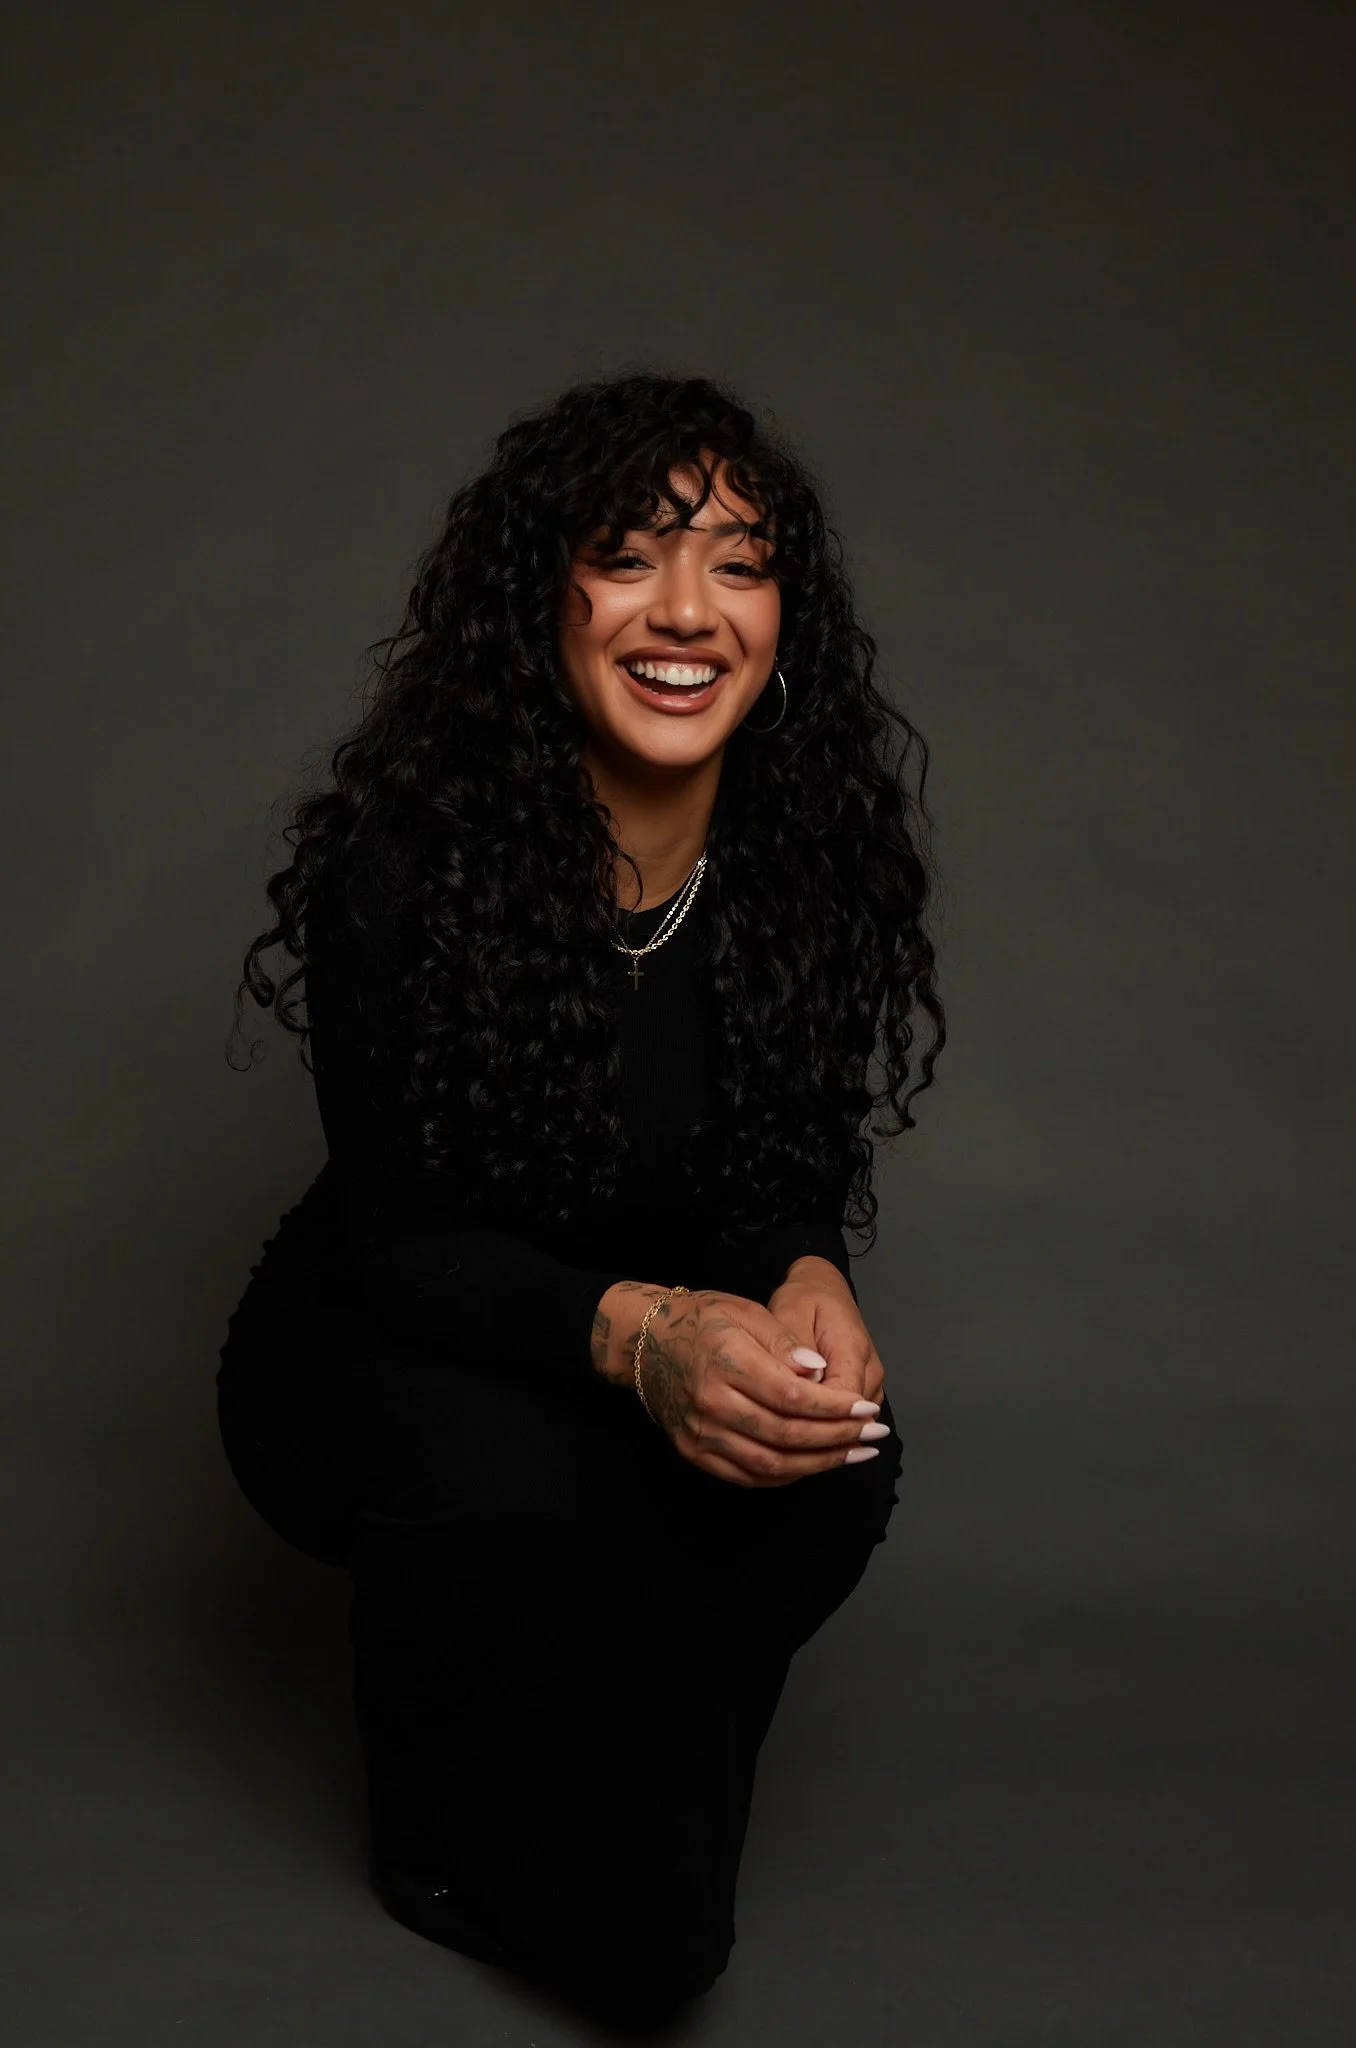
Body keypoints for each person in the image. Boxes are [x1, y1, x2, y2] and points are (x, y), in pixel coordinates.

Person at [217, 368, 945, 2027]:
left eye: (741, 563)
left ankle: (623, 1825)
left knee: (830, 1464)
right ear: (544, 598)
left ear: (784, 619)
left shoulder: (812, 858)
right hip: (385, 1342)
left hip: (636, 1337)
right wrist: (648, 1338)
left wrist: (813, 1277)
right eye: (629, 555)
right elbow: (402, 1247)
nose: (687, 611)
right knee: (537, 1486)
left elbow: (785, 1170)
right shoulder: (406, 866)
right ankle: (438, 1824)